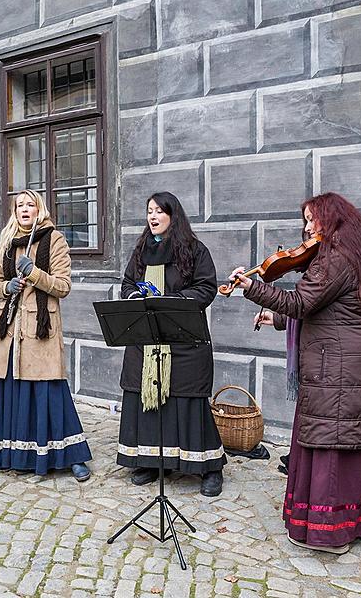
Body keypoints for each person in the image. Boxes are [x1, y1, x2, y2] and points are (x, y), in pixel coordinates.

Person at [230, 192, 361, 554]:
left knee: (333, 446)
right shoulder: (354, 254)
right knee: (349, 443)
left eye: (310, 220)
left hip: (341, 371)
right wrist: (277, 318)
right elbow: (330, 312)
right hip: (357, 365)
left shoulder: (333, 259)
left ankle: (330, 533)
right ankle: (354, 524)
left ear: (330, 220)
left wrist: (252, 287)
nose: (305, 229)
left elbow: (303, 302)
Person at [117, 192, 226, 497]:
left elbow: (206, 288)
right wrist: (134, 297)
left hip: (183, 341)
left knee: (187, 400)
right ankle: (151, 461)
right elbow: (127, 283)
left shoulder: (194, 250)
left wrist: (170, 302)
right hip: (147, 339)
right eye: (148, 211)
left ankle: (209, 466)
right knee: (146, 399)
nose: (152, 217)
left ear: (172, 215)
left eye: (158, 212)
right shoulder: (140, 250)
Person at [0, 189, 93, 481]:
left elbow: (63, 286)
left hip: (41, 329)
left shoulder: (53, 239)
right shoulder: (7, 242)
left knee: (50, 394)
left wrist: (34, 273)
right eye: (19, 205)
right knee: (17, 393)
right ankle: (18, 456)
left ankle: (72, 456)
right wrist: (7, 287)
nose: (24, 209)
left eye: (30, 205)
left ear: (39, 209)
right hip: (10, 331)